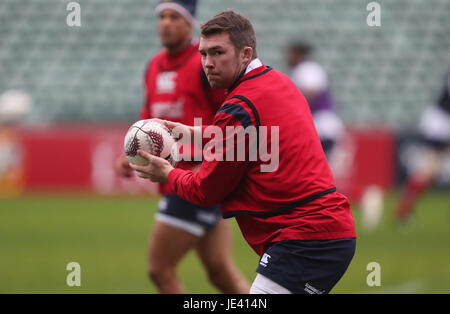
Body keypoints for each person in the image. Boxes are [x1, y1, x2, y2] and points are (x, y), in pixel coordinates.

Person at [130, 10, 356, 294]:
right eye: (203, 54)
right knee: (219, 271)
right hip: (323, 233)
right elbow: (248, 139)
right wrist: (186, 132)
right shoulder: (277, 82)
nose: (208, 64)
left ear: (245, 53)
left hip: (304, 241)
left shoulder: (238, 107)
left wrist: (167, 174)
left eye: (217, 53)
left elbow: (206, 190)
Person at [115, 1, 250, 294]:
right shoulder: (152, 65)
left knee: (160, 269)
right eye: (161, 16)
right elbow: (147, 115)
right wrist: (131, 151)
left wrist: (214, 160)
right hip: (179, 182)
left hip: (195, 179)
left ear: (189, 22)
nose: (165, 23)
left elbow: (228, 116)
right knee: (220, 273)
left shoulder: (204, 64)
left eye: (174, 16)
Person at [395, 70, 450, 222]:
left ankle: (404, 208)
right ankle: (403, 209)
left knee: (432, 171)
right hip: (442, 122)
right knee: (429, 169)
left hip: (441, 121)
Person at [285, 42, 344, 158]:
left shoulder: (307, 68)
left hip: (321, 125)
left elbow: (311, 91)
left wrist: (291, 103)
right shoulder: (305, 68)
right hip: (319, 125)